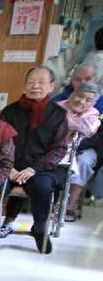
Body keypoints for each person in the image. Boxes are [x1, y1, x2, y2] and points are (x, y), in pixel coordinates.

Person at [0, 66, 70, 252]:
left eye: (41, 82)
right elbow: (0, 142)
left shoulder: (58, 114)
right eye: (31, 82)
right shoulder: (10, 111)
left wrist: (33, 169)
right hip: (11, 166)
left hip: (42, 168)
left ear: (51, 86)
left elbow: (59, 148)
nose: (35, 86)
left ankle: (39, 228)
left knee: (42, 186)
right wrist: (10, 168)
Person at [60, 81, 102, 220]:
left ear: (93, 103)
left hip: (85, 148)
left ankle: (70, 205)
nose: (82, 101)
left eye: (88, 100)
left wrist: (73, 145)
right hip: (57, 147)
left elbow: (93, 137)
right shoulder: (57, 108)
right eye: (79, 96)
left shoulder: (94, 115)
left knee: (83, 162)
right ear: (72, 94)